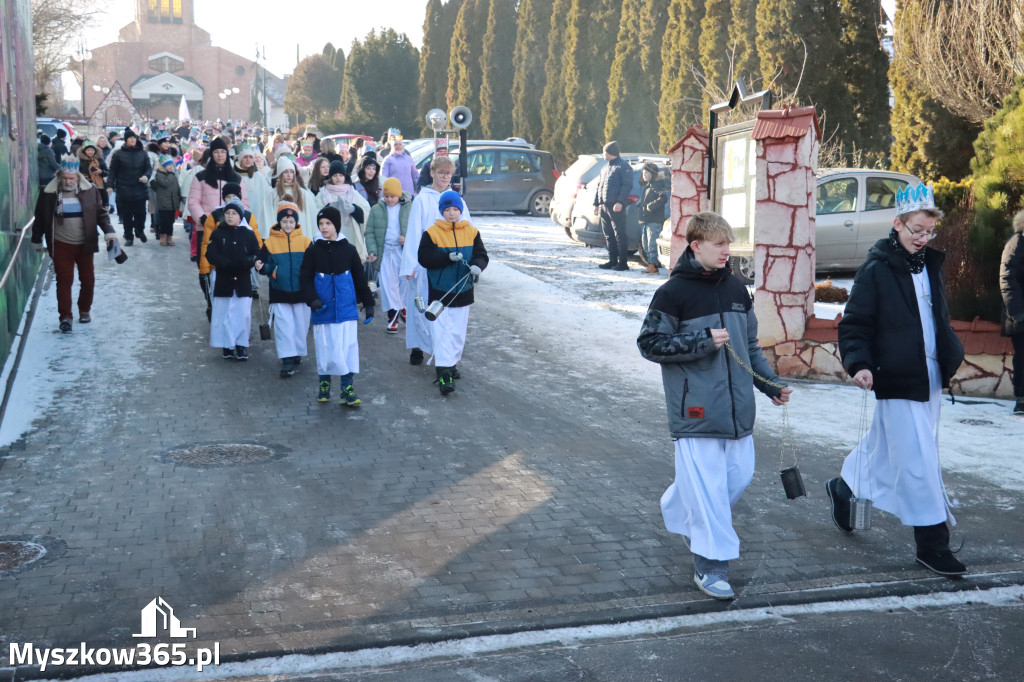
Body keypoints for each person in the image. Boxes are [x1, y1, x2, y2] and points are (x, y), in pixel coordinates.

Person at [637, 211, 792, 600]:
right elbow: (649, 344)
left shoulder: (738, 289)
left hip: (739, 412)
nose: (727, 251)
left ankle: (680, 507)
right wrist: (702, 340)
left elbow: (750, 347)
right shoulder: (672, 293)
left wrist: (769, 384)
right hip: (696, 412)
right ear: (696, 246)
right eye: (719, 244)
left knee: (736, 478)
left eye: (729, 243)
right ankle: (711, 566)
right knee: (708, 492)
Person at [826, 184, 967, 577]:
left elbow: (935, 319)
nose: (922, 239)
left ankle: (845, 487)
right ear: (897, 224)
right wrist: (859, 364)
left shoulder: (929, 265)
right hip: (897, 377)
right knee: (918, 460)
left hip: (930, 377)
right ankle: (932, 545)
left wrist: (950, 350)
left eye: (928, 232)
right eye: (916, 230)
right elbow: (854, 324)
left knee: (885, 450)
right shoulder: (876, 269)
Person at [32, 155, 121, 332]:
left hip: (85, 243)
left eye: (71, 178)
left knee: (88, 280)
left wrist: (110, 232)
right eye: (64, 177)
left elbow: (101, 215)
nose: (68, 181)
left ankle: (84, 310)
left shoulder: (90, 191)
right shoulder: (48, 194)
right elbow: (40, 219)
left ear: (78, 177)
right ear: (59, 177)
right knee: (64, 280)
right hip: (61, 244)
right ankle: (65, 316)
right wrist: (36, 240)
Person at [400, 155, 472, 366]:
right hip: (427, 261)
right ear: (432, 173)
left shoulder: (456, 199)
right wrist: (411, 264)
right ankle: (419, 346)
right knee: (423, 307)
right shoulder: (423, 199)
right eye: (440, 173)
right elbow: (414, 232)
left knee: (446, 313)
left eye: (448, 174)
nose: (444, 177)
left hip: (450, 263)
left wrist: (467, 259)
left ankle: (445, 358)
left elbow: (467, 228)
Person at [300, 206, 375, 406]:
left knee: (348, 349)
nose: (324, 228)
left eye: (328, 224)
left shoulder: (348, 250)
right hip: (322, 310)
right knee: (325, 348)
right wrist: (312, 299)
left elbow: (360, 279)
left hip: (346, 309)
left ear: (336, 225)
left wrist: (368, 303)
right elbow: (305, 278)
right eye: (321, 224)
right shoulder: (313, 251)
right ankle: (324, 384)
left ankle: (347, 388)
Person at [417, 190, 488, 395]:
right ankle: (444, 372)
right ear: (441, 211)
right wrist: (447, 257)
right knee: (441, 332)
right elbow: (424, 258)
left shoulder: (472, 232)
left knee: (457, 332)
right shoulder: (432, 233)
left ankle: (452, 363)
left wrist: (477, 266)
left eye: (455, 209)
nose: (451, 213)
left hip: (464, 291)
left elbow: (482, 255)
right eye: (447, 209)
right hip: (440, 292)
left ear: (461, 210)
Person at [256, 202, 313, 378]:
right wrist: (263, 267)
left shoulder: (305, 242)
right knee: (283, 325)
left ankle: (296, 352)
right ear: (279, 222)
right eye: (284, 221)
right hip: (279, 291)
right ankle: (287, 358)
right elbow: (264, 264)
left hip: (301, 292)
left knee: (300, 325)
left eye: (291, 221)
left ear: (296, 222)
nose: (288, 225)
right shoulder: (270, 243)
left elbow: (312, 265)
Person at [205, 198, 261, 361]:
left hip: (242, 280)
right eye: (228, 213)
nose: (230, 216)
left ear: (240, 216)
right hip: (224, 279)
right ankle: (227, 345)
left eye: (234, 213)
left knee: (242, 314)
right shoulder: (218, 233)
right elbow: (211, 253)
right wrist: (225, 264)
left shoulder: (248, 234)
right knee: (224, 314)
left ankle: (241, 344)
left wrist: (246, 262)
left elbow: (256, 253)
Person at [365, 177, 412, 333]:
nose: (390, 199)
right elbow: (370, 231)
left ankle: (403, 307)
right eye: (387, 196)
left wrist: (407, 240)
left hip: (402, 251)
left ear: (399, 194)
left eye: (393, 196)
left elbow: (417, 230)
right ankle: (392, 317)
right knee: (387, 286)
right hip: (385, 252)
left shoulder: (409, 208)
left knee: (404, 282)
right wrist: (372, 250)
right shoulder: (376, 210)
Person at [188, 137, 248, 257]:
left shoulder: (236, 178)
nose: (220, 155)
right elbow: (193, 202)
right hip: (206, 227)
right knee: (206, 262)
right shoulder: (201, 176)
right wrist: (203, 219)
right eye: (216, 152)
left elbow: (244, 202)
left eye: (223, 152)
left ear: (227, 154)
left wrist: (239, 218)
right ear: (211, 154)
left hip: (231, 227)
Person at [316, 160, 370, 261]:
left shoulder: (352, 193)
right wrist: (327, 209)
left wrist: (354, 209)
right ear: (330, 176)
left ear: (344, 176)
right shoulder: (323, 194)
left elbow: (366, 209)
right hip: (330, 235)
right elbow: (316, 212)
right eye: (335, 175)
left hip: (350, 235)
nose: (338, 178)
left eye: (341, 175)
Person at [108, 127, 153, 246]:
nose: (133, 140)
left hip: (140, 188)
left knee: (141, 214)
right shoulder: (118, 154)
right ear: (126, 140)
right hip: (124, 188)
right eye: (130, 138)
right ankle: (129, 236)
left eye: (134, 138)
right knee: (127, 215)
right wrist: (110, 185)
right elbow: (112, 171)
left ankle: (139, 230)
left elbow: (148, 168)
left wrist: (146, 176)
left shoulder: (143, 153)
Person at [593, 141, 634, 271]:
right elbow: (600, 186)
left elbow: (626, 186)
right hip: (604, 205)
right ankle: (612, 260)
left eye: (605, 152)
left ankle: (622, 263)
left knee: (619, 234)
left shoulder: (623, 167)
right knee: (608, 234)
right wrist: (596, 203)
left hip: (616, 206)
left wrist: (620, 202)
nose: (603, 154)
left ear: (611, 153)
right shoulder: (604, 168)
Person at [1001, 210, 1024, 415]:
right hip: (1020, 315)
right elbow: (1006, 279)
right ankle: (1022, 401)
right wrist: (1018, 312)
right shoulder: (1016, 243)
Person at [273, 155, 320, 241]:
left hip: (302, 234)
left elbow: (312, 215)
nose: (289, 175)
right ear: (280, 174)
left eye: (291, 172)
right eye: (285, 172)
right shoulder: (273, 194)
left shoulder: (303, 193)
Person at [236, 144, 275, 239]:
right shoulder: (235, 176)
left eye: (250, 157)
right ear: (240, 159)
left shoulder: (259, 176)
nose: (248, 160)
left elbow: (267, 193)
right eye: (245, 157)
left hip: (258, 213)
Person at [638, 162, 668, 275]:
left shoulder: (657, 186)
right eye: (643, 173)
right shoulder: (647, 186)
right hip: (645, 219)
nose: (644, 175)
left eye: (646, 172)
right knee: (645, 244)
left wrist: (651, 206)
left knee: (652, 243)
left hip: (654, 220)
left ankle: (654, 266)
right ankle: (651, 264)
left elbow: (663, 198)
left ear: (652, 173)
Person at [152, 154, 181, 246]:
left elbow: (177, 187)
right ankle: (162, 236)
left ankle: (169, 236)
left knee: (171, 221)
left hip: (172, 202)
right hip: (164, 203)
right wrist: (172, 174)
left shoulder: (173, 176)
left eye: (172, 165)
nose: (171, 167)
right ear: (163, 166)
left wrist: (179, 197)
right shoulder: (159, 175)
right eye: (169, 165)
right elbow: (166, 183)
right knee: (164, 221)